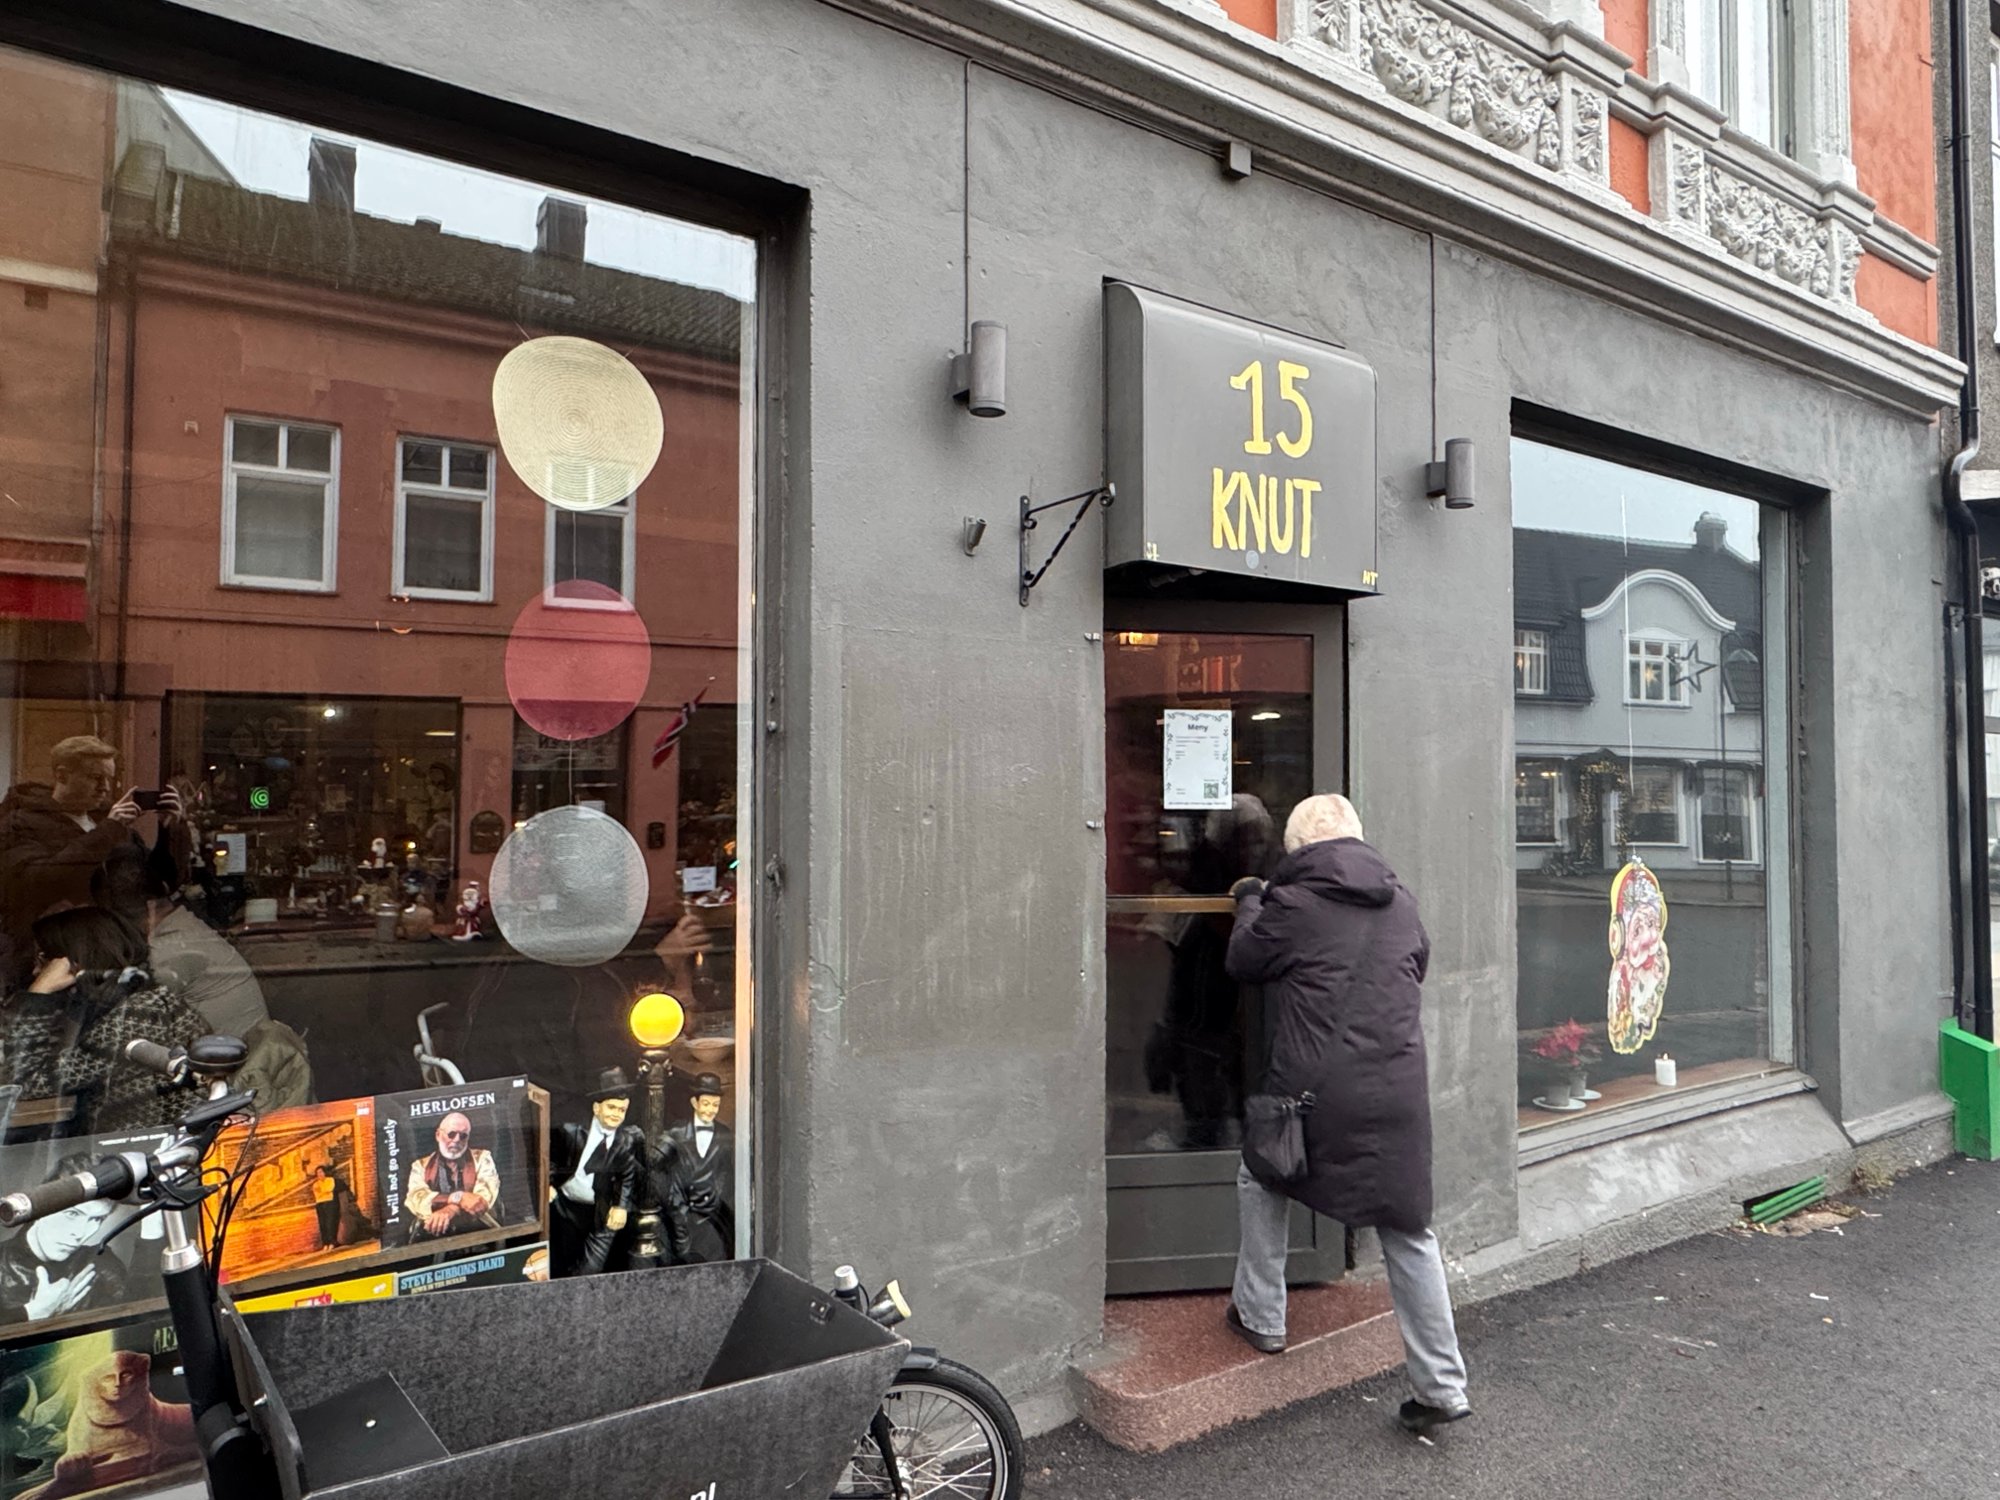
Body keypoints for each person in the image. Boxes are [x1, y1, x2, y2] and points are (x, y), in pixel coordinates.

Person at [1222, 793, 1472, 1435]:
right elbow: (1417, 965)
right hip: (1398, 1092)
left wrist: (1249, 898)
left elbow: (1244, 960)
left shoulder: (1293, 903)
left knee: (1263, 1173)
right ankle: (1442, 1386)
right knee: (1408, 1229)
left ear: (1298, 849)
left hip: (1316, 1091)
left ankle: (1262, 1316)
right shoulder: (1402, 902)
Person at [3, 908, 208, 1134]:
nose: (36, 971)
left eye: (43, 960)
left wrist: (38, 995)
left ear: (73, 961)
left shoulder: (136, 1014)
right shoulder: (114, 1003)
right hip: (132, 1140)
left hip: (151, 1145)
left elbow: (26, 1084)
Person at [0, 737, 187, 980]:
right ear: (62, 775)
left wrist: (171, 830)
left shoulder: (111, 823)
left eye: (109, 779)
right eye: (95, 778)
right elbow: (39, 883)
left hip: (122, 955)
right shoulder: (19, 824)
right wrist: (109, 830)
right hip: (56, 962)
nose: (105, 788)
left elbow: (159, 884)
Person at [90, 846, 269, 1039]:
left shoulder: (169, 952)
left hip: (234, 1054)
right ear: (165, 888)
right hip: (235, 1046)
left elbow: (117, 1022)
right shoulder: (186, 928)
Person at [0, 1157, 130, 1324]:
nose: (79, 1233)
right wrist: (34, 1313)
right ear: (40, 1207)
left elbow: (137, 1327)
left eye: (96, 1219)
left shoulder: (102, 1265)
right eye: (72, 1214)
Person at [547, 1067, 647, 1277]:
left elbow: (627, 1174)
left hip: (602, 1211)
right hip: (566, 1206)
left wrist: (620, 1206)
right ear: (596, 1108)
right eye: (611, 1107)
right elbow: (550, 1159)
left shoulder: (626, 1140)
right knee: (562, 1259)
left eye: (622, 1110)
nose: (616, 1114)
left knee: (590, 1268)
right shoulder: (570, 1132)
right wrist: (548, 1184)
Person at [658, 1072, 732, 1264]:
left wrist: (716, 1197)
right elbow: (659, 1168)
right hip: (681, 1216)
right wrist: (675, 1205)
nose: (711, 1110)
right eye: (706, 1103)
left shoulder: (725, 1135)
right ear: (694, 1102)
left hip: (710, 1217)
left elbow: (726, 1173)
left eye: (715, 1105)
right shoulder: (677, 1133)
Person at [402, 1111, 501, 1243]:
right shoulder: (420, 1166)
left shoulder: (483, 1158)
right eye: (451, 1134)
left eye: (463, 1136)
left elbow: (481, 1199)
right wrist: (458, 1198)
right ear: (438, 1135)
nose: (457, 1140)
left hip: (479, 1232)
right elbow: (416, 1198)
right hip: (433, 1233)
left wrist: (451, 1209)